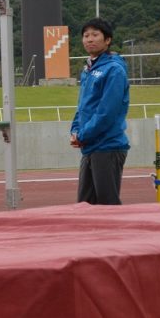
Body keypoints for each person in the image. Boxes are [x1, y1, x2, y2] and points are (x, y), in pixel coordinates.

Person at [70, 17, 130, 205]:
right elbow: (83, 106)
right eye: (86, 35)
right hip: (90, 146)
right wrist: (75, 130)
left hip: (107, 146)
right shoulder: (88, 69)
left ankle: (117, 235)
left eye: (95, 35)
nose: (89, 39)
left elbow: (107, 112)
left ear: (107, 40)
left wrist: (83, 134)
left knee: (107, 204)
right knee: (85, 204)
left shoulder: (114, 70)